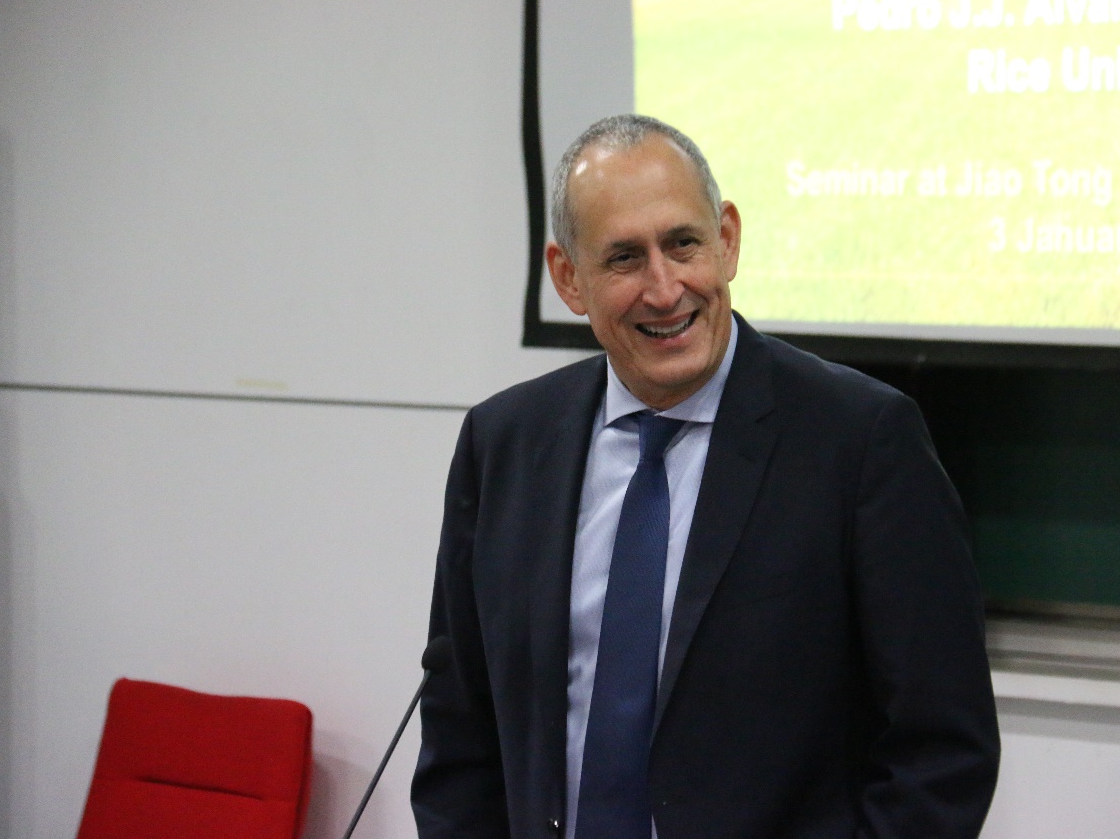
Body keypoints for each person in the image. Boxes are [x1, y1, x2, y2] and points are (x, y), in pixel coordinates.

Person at [411, 115, 1000, 838]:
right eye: (624, 258)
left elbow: (941, 750)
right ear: (567, 278)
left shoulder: (860, 440)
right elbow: (459, 727)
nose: (665, 290)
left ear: (727, 239)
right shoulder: (503, 443)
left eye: (683, 244)